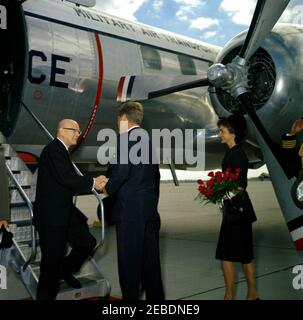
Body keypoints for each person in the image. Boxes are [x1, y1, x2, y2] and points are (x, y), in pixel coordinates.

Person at [33, 119, 106, 300]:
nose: (78, 134)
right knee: (50, 265)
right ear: (61, 131)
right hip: (51, 218)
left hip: (65, 214)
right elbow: (67, 178)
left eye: (78, 131)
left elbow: (69, 181)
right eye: (74, 130)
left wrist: (95, 182)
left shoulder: (63, 152)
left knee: (87, 242)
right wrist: (93, 182)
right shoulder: (53, 150)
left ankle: (64, 270)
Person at [100, 101, 164, 300]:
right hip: (148, 211)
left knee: (129, 268)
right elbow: (155, 177)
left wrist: (106, 189)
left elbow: (121, 173)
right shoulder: (148, 141)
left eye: (119, 121)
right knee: (151, 268)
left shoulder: (125, 139)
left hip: (129, 213)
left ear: (125, 120)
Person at [216, 114, 259, 300]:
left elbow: (241, 184)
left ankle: (246, 295)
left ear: (233, 133)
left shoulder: (238, 154)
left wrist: (223, 196)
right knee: (231, 254)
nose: (220, 134)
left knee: (241, 255)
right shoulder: (230, 152)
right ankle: (234, 295)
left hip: (238, 211)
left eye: (222, 131)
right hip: (232, 211)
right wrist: (219, 195)